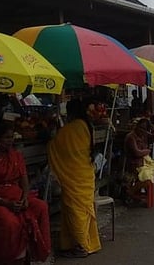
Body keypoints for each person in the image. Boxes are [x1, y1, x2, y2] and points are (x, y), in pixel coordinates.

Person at [0, 124, 51, 264]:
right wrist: (6, 203)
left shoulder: (17, 156)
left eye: (11, 137)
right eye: (7, 137)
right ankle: (7, 260)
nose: (10, 140)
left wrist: (24, 198)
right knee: (10, 223)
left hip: (17, 196)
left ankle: (37, 252)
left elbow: (24, 180)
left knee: (41, 206)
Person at [47, 99, 101, 258]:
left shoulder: (71, 128)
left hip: (75, 176)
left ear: (70, 112)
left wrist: (52, 135)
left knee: (76, 212)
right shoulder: (85, 126)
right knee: (81, 211)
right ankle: (80, 242)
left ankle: (82, 246)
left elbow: (54, 145)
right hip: (84, 174)